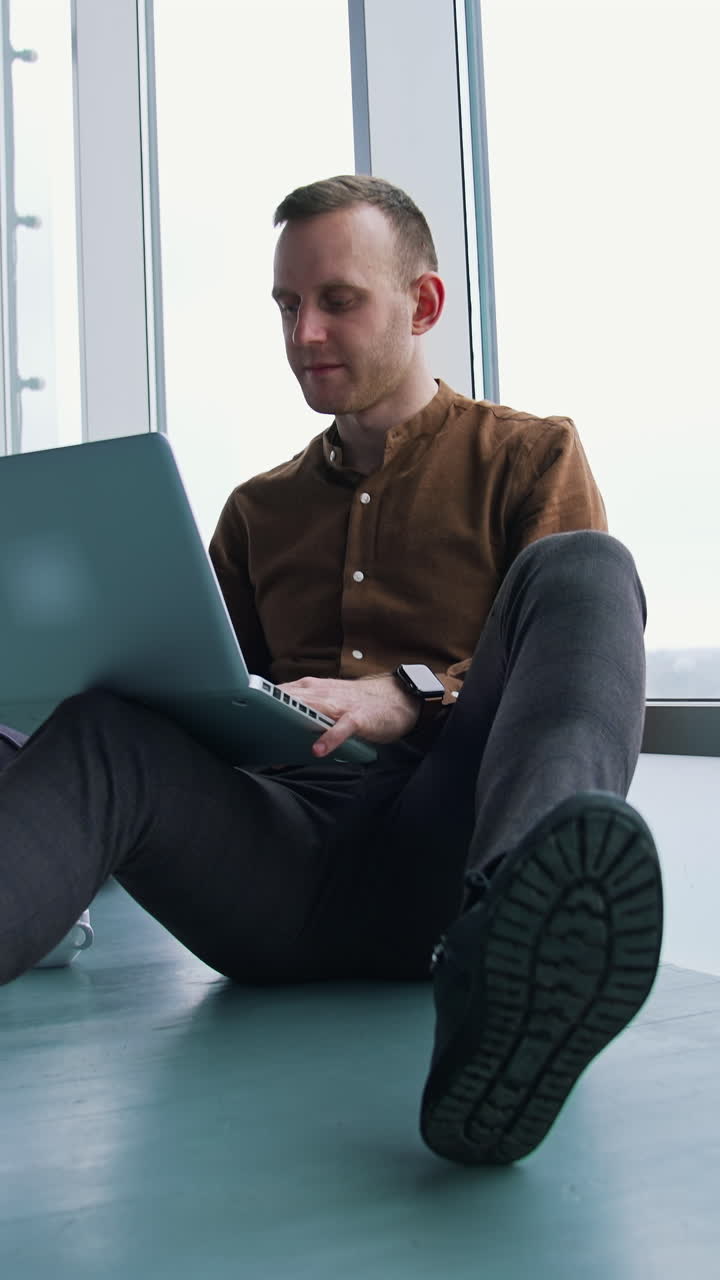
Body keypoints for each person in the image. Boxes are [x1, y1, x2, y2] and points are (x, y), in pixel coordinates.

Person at [0, 174, 662, 1166]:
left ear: (422, 304)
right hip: (276, 872)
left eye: (337, 300)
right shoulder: (255, 512)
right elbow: (189, 701)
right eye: (285, 305)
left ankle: (508, 973)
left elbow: (567, 656)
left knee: (587, 567)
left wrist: (413, 692)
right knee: (103, 727)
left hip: (453, 855)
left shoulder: (529, 455)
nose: (304, 331)